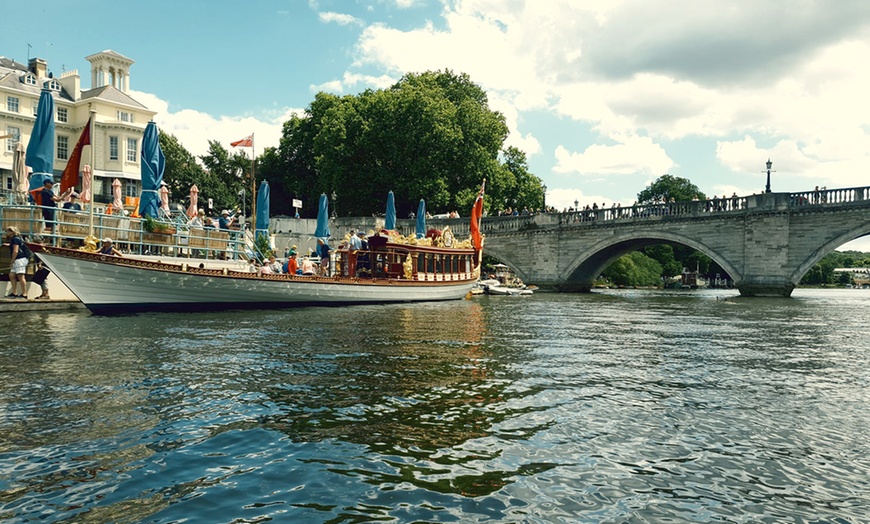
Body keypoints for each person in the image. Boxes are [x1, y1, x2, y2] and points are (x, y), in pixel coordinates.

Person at [4, 227, 29, 298]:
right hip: (17, 260)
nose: (7, 233)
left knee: (20, 276)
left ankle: (24, 293)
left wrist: (12, 260)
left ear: (12, 232)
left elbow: (16, 251)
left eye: (8, 231)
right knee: (12, 275)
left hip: (19, 259)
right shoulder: (14, 239)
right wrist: (8, 245)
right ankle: (14, 292)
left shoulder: (15, 239)